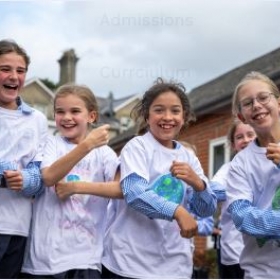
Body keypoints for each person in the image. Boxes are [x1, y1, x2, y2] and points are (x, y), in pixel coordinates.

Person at [102, 78, 217, 279]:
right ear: (147, 116)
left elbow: (206, 209)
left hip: (175, 266)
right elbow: (134, 193)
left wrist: (198, 184)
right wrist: (178, 211)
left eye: (175, 110)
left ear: (184, 116)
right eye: (159, 110)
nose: (167, 117)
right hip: (129, 263)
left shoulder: (189, 157)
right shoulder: (138, 147)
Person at [21, 84, 121, 279]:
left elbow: (120, 189)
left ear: (91, 116)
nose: (66, 117)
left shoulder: (105, 153)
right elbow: (49, 177)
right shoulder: (51, 143)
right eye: (60, 112)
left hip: (87, 257)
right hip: (45, 260)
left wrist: (76, 187)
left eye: (75, 111)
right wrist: (87, 145)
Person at [0, 39, 48, 278]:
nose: (14, 77)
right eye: (5, 69)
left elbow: (40, 172)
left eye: (20, 71)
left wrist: (27, 179)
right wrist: (4, 176)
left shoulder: (37, 119)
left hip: (18, 228)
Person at [226, 71, 280, 278]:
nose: (257, 105)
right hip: (263, 273)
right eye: (248, 103)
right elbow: (241, 216)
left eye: (263, 97)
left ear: (278, 102)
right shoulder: (241, 163)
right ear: (242, 116)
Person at [211, 118, 256, 279]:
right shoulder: (228, 170)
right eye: (239, 137)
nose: (246, 140)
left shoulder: (272, 163)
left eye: (250, 134)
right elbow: (214, 190)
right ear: (232, 144)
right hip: (234, 252)